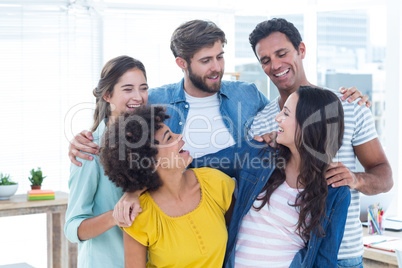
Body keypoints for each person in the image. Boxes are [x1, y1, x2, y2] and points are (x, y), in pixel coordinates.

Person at [67, 19, 369, 224]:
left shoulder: (247, 95)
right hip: (179, 226)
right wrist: (87, 137)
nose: (217, 68)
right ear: (182, 64)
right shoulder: (156, 100)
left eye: (220, 56)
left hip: (241, 227)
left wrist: (343, 99)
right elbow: (120, 118)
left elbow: (292, 116)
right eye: (206, 60)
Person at [248, 18, 393, 267]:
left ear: (301, 50)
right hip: (282, 258)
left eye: (282, 53)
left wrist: (356, 179)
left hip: (341, 255)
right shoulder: (262, 122)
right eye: (266, 60)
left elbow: (384, 176)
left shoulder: (349, 106)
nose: (275, 65)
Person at [192, 86, 351, 267]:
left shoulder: (336, 191)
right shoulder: (256, 153)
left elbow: (325, 260)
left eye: (286, 114)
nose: (277, 118)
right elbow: (195, 168)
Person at [99, 106, 235, 267]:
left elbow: (240, 241)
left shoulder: (216, 183)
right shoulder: (140, 215)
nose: (179, 136)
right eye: (169, 138)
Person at [64, 55, 148, 267]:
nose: (138, 96)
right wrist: (116, 215)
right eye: (128, 89)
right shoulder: (89, 150)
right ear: (108, 95)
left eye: (143, 88)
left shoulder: (151, 142)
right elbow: (73, 228)